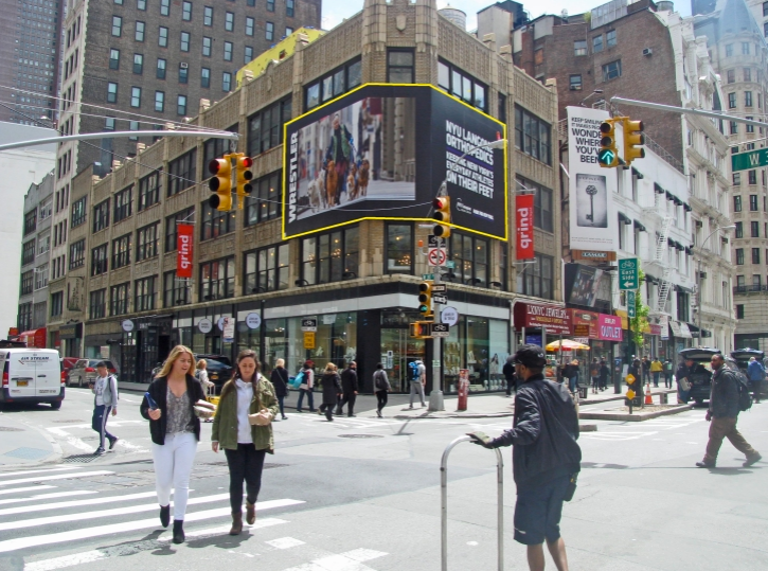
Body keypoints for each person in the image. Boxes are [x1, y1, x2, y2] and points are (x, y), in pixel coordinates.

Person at [473, 345, 581, 571]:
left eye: (516, 366)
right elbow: (575, 430)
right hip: (563, 471)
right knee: (552, 529)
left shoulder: (526, 393)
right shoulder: (560, 389)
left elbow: (529, 429)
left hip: (536, 476)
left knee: (533, 538)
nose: (515, 371)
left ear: (523, 368)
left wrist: (496, 441)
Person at [140, 345, 208, 544]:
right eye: (182, 361)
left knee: (182, 481)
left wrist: (206, 411)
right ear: (173, 361)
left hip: (187, 435)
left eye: (189, 361)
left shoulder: (194, 383)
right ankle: (163, 505)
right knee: (163, 482)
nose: (186, 365)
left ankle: (179, 525)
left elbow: (201, 406)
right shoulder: (158, 384)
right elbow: (145, 407)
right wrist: (151, 414)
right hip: (164, 437)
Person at [212, 349, 279, 535]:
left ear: (255, 365)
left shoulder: (264, 384)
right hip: (234, 441)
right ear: (238, 366)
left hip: (256, 440)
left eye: (250, 365)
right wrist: (215, 436)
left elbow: (275, 404)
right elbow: (220, 413)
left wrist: (269, 414)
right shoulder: (230, 387)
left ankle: (251, 502)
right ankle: (236, 519)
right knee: (236, 480)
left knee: (254, 481)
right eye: (244, 366)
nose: (247, 369)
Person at [696, 352, 761, 468]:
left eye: (715, 360)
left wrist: (731, 413)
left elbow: (733, 396)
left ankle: (709, 459)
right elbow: (715, 397)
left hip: (724, 413)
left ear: (722, 362)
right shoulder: (717, 375)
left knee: (715, 436)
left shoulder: (726, 376)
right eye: (712, 360)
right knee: (733, 434)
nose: (712, 362)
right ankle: (752, 454)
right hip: (721, 412)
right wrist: (710, 412)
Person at [90, 361, 119, 456]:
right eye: (98, 371)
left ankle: (101, 447)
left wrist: (115, 407)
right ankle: (111, 438)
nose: (99, 372)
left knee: (101, 426)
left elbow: (114, 394)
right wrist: (92, 389)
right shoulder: (98, 378)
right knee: (95, 425)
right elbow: (97, 392)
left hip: (105, 405)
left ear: (106, 369)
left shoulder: (111, 379)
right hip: (97, 404)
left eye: (101, 370)